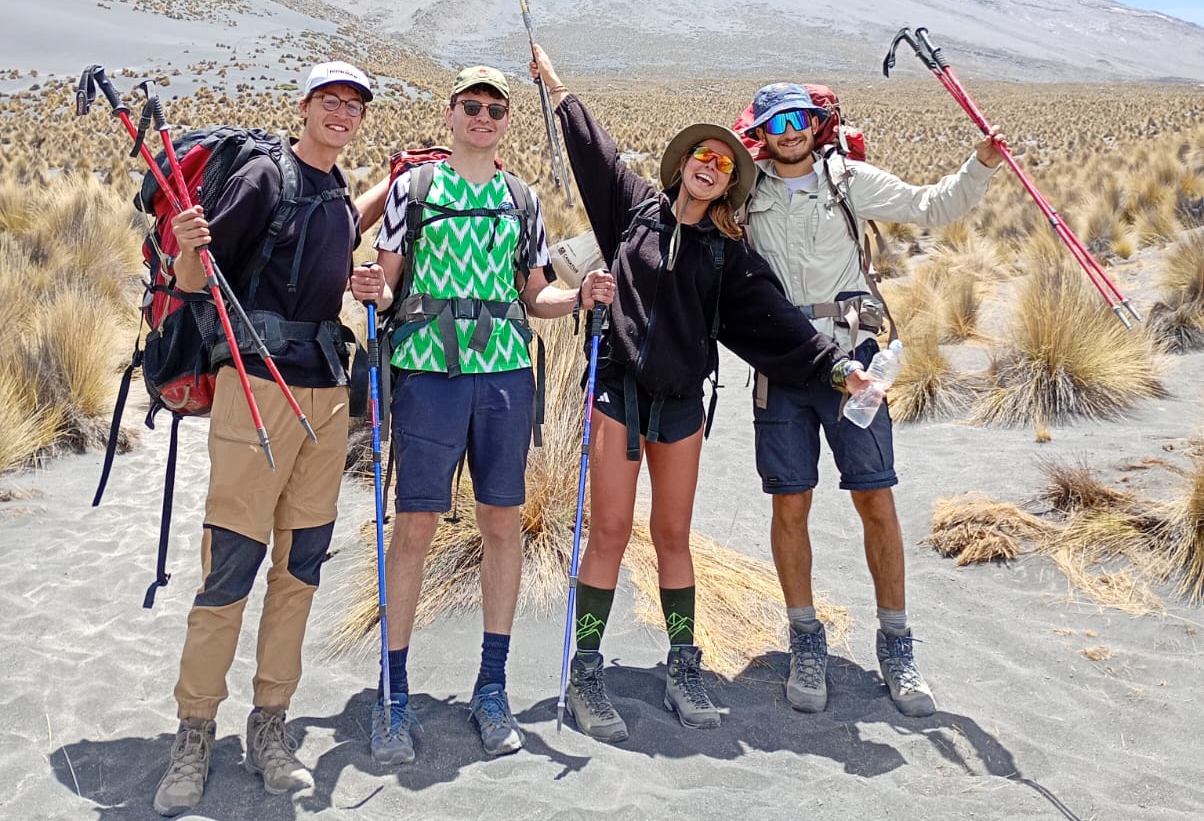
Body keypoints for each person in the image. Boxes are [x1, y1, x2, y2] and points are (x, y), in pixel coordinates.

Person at [530, 46, 870, 744]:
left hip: (682, 406)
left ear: (729, 183)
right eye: (701, 155)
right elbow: (594, 151)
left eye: (723, 163)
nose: (710, 165)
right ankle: (586, 672)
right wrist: (557, 86)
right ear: (682, 163)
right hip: (619, 395)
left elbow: (775, 325)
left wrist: (839, 370)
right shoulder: (633, 212)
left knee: (673, 536)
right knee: (609, 533)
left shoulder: (728, 255)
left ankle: (684, 667)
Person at [154, 62, 383, 817]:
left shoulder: (338, 194)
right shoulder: (264, 176)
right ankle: (194, 732)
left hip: (324, 397)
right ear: (305, 106)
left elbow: (321, 271)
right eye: (330, 101)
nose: (342, 113)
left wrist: (361, 285)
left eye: (353, 105)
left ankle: (271, 726)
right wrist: (188, 245)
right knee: (233, 564)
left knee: (301, 567)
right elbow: (197, 280)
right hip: (254, 393)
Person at [369, 65, 611, 766]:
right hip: (428, 374)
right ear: (450, 114)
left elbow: (535, 295)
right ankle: (393, 694)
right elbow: (385, 286)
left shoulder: (521, 200)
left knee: (502, 523)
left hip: (504, 377)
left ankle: (492, 688)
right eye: (471, 106)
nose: (482, 117)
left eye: (495, 109)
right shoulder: (413, 191)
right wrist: (369, 289)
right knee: (414, 527)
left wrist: (581, 299)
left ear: (507, 121)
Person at [742, 82, 1003, 718]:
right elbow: (680, 216)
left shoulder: (848, 180)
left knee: (874, 496)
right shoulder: (744, 191)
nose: (790, 131)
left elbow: (932, 205)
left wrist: (981, 164)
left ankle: (896, 643)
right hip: (783, 363)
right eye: (777, 122)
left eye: (800, 118)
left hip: (855, 362)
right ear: (761, 131)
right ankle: (806, 641)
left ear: (817, 123)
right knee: (790, 501)